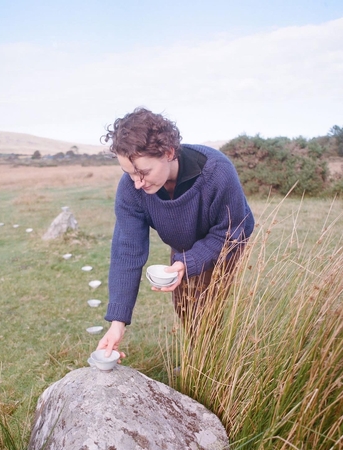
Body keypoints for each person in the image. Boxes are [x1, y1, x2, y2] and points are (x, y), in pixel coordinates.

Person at [96, 107, 254, 358]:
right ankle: (200, 361)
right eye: (130, 173)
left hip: (225, 242)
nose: (138, 182)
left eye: (144, 172)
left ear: (168, 152)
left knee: (206, 309)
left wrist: (189, 262)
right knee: (184, 307)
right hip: (182, 246)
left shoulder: (217, 171)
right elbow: (127, 251)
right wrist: (117, 323)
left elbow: (232, 230)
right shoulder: (131, 189)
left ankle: (210, 369)